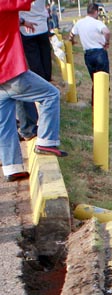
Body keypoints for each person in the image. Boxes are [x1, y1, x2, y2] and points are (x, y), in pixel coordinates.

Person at [1, 0, 68, 182]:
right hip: (9, 70)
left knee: (5, 123)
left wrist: (22, 22)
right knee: (50, 95)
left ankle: (12, 168)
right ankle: (46, 141)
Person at [16, 0, 52, 140]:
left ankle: (26, 127)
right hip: (37, 28)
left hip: (28, 30)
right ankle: (27, 127)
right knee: (21, 87)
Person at [69, 3, 110, 102]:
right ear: (96, 12)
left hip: (88, 55)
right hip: (99, 52)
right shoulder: (97, 23)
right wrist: (106, 42)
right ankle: (102, 102)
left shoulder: (79, 23)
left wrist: (72, 41)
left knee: (95, 80)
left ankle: (94, 101)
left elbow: (71, 34)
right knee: (103, 79)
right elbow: (107, 32)